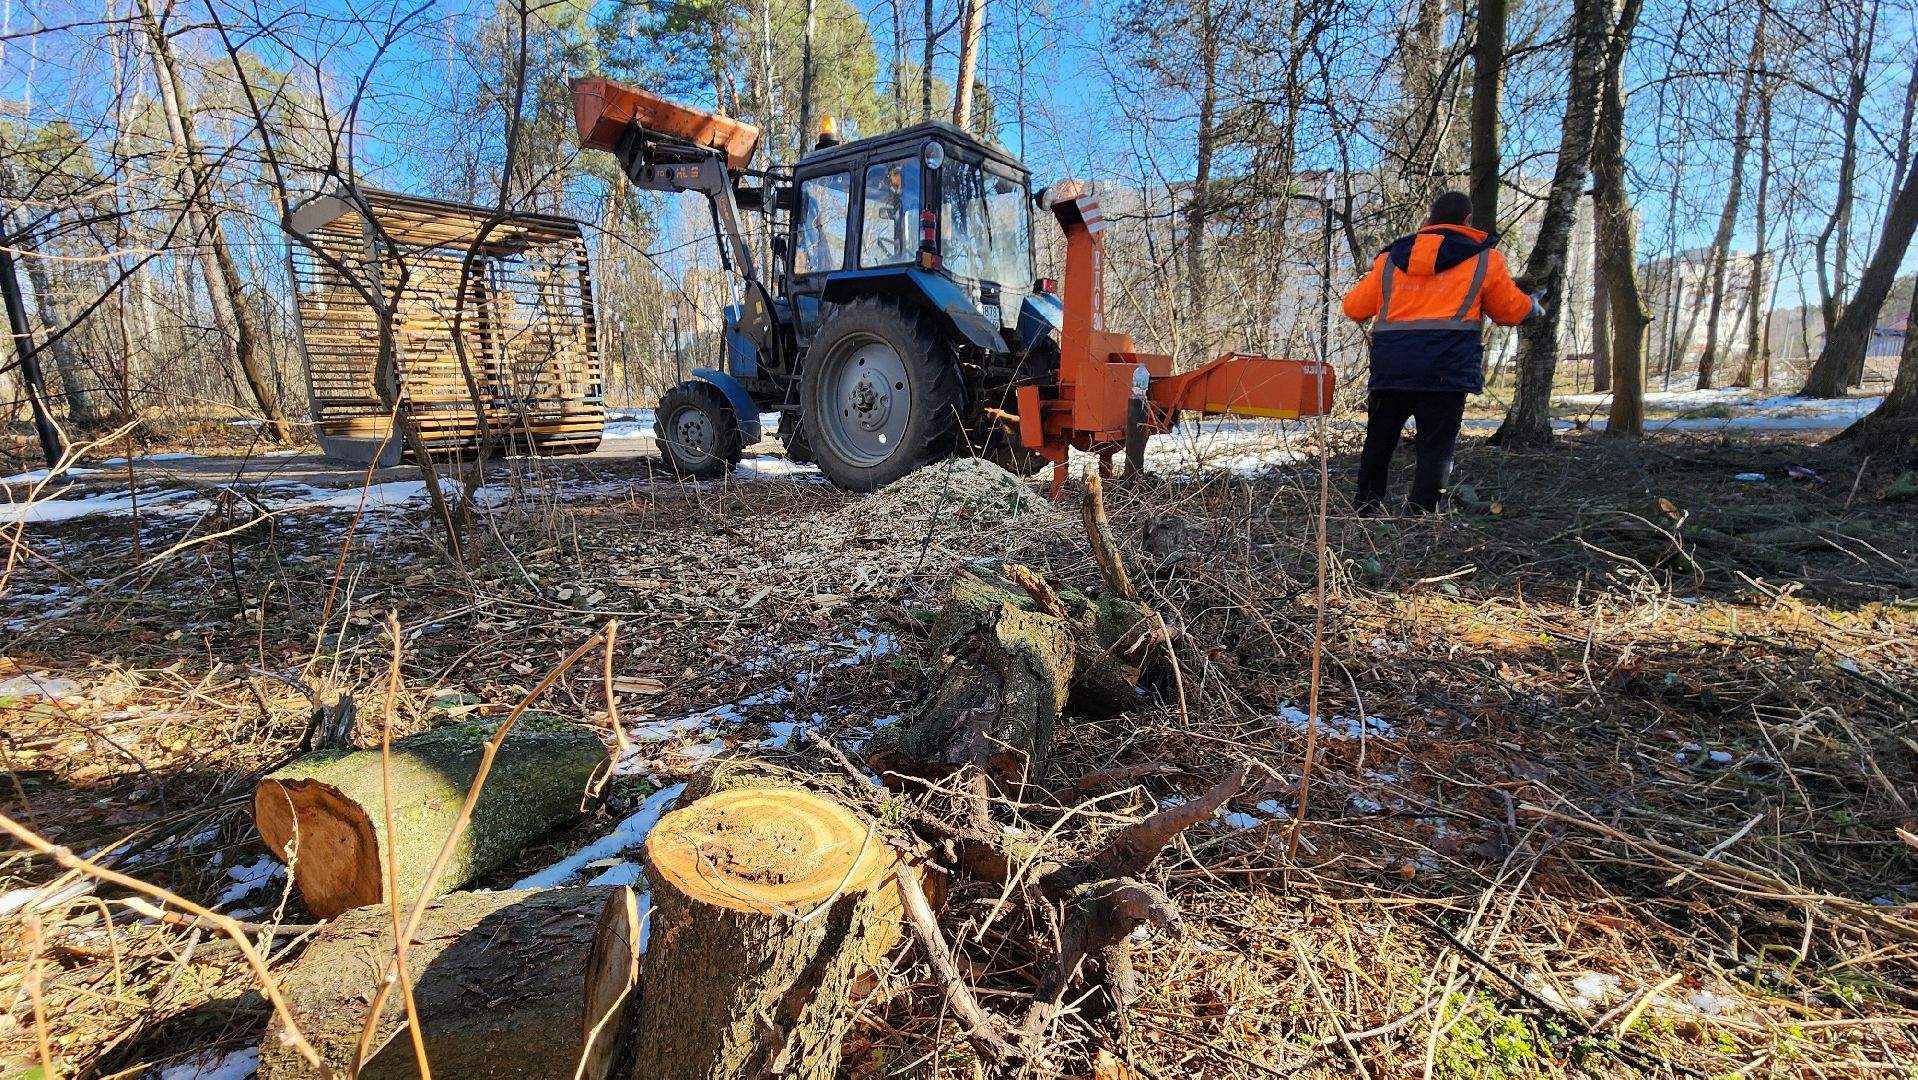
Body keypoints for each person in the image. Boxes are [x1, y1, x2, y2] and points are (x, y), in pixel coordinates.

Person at [1341, 190, 1540, 513]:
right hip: (1446, 372)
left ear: (1428, 221)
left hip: (1393, 369)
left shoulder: (1390, 259)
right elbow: (1509, 312)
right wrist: (1534, 307)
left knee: (1379, 442)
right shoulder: (1485, 260)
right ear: (1467, 221)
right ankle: (1420, 515)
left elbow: (1353, 307)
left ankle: (1365, 506)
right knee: (1436, 449)